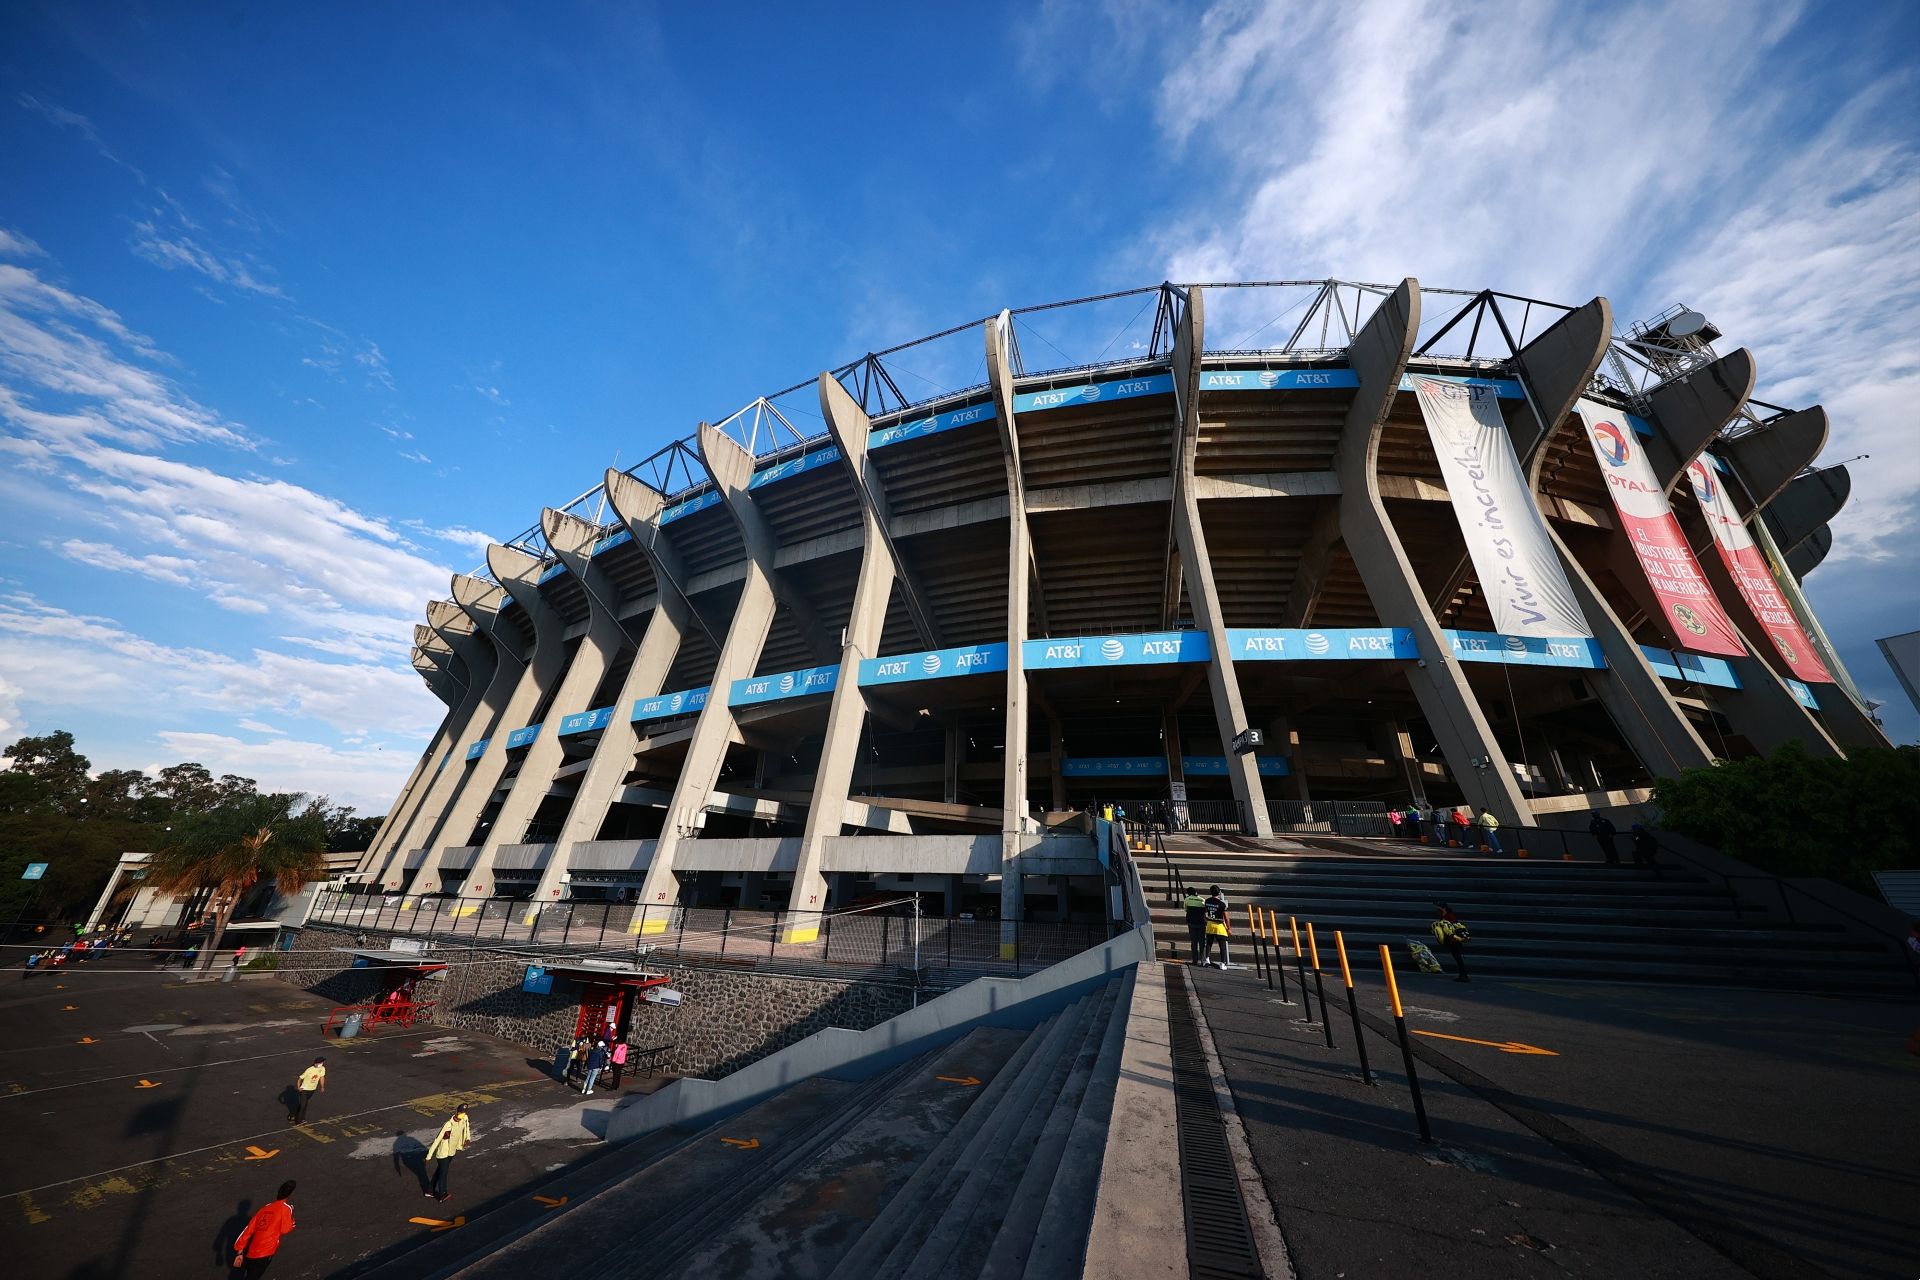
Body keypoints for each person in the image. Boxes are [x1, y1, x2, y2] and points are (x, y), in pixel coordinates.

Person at [231, 1179, 297, 1277]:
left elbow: (249, 1228)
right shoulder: (286, 1208)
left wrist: (239, 1250)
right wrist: (292, 1223)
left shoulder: (265, 1208)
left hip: (251, 1253)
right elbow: (285, 1229)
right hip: (265, 1253)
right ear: (290, 1194)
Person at [425, 1103, 472, 1201]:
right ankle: (442, 1194)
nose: (462, 1114)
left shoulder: (465, 1118)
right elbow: (437, 1139)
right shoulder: (448, 1124)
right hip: (443, 1153)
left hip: (452, 1151)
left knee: (440, 1170)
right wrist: (429, 1156)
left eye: (464, 1112)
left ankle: (430, 1191)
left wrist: (467, 1138)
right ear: (456, 1112)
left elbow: (467, 1128)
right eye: (461, 1112)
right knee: (443, 1172)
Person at [1432, 904, 1471, 982]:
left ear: (1444, 908)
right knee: (1458, 958)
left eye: (1439, 907)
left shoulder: (1450, 916)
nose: (1437, 909)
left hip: (1454, 941)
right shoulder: (1444, 916)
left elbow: (1453, 927)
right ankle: (1463, 975)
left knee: (1458, 958)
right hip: (1451, 941)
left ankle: (1464, 976)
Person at [290, 1057, 325, 1124]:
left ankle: (293, 1116)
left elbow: (322, 1077)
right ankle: (299, 1120)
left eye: (322, 1062)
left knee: (304, 1104)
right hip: (305, 1090)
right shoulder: (309, 1070)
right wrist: (298, 1087)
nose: (322, 1063)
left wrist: (322, 1086)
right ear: (316, 1063)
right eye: (320, 1062)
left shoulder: (322, 1068)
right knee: (303, 1105)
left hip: (312, 1090)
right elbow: (300, 1078)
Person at [1202, 886, 1229, 969]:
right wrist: (1229, 928)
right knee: (1222, 946)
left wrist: (1206, 919)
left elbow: (1204, 912)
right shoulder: (1222, 904)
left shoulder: (1207, 901)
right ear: (1219, 892)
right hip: (1219, 926)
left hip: (1210, 924)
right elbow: (1226, 917)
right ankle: (1222, 963)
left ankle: (1207, 960)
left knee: (1209, 944)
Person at [1182, 887, 1208, 965]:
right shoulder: (1202, 900)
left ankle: (1195, 960)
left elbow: (1185, 909)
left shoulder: (1187, 899)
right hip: (1201, 923)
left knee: (1194, 942)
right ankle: (1203, 960)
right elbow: (1205, 910)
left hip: (1191, 922)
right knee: (1202, 942)